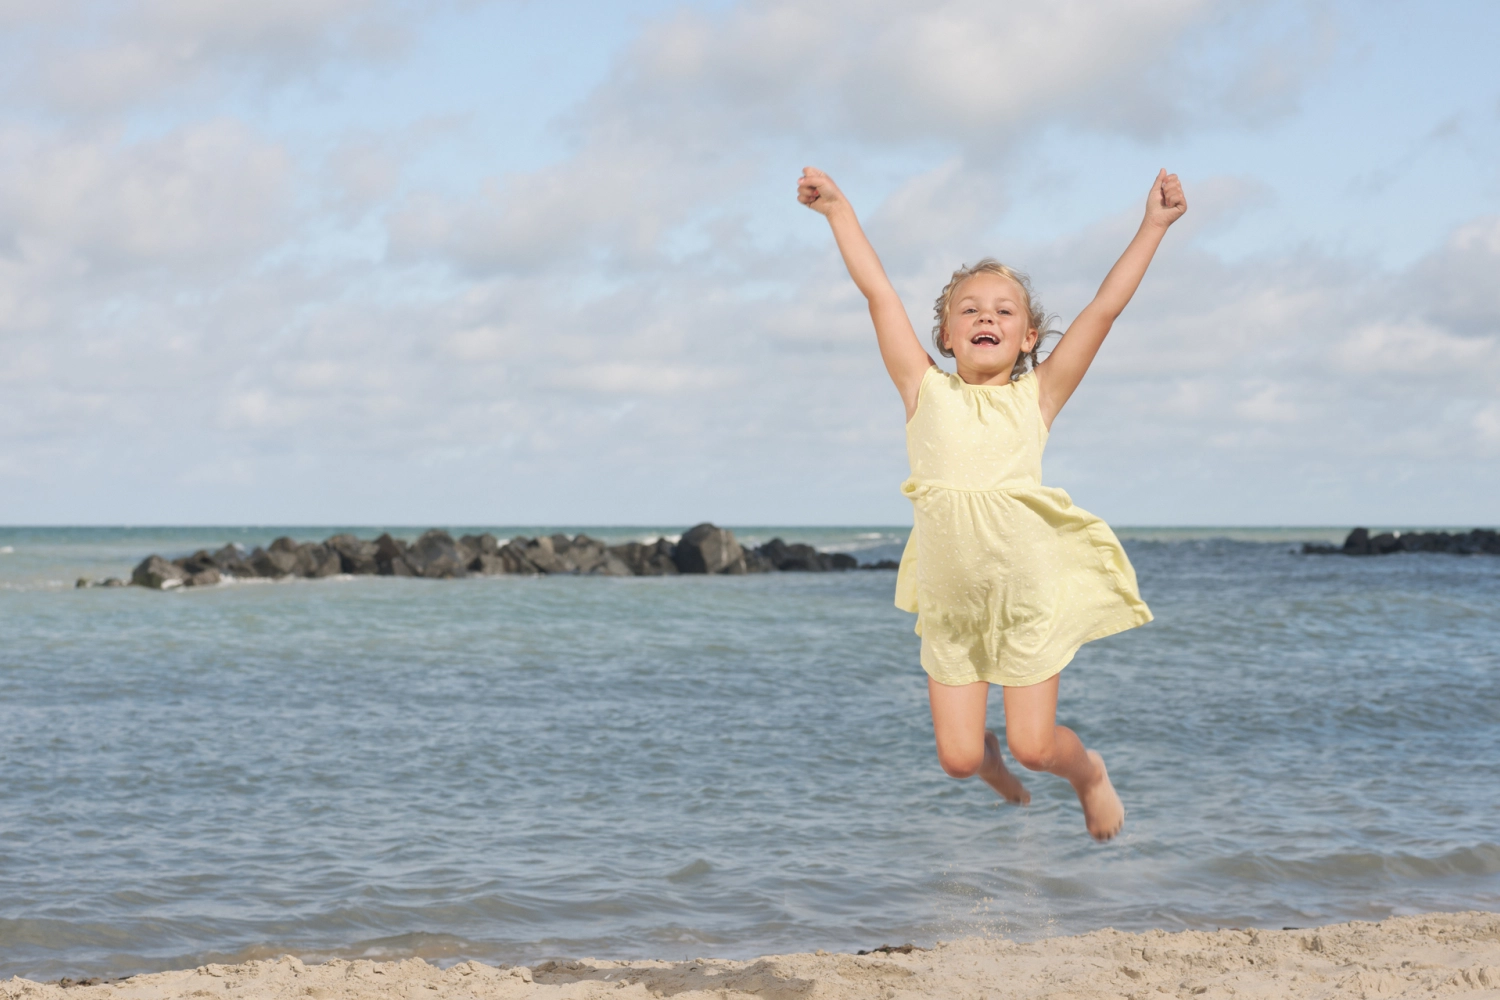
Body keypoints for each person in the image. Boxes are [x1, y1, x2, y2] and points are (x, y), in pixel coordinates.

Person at [797, 166, 1186, 840]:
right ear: (946, 336)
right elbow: (878, 294)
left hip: (1025, 596)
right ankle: (989, 765)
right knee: (958, 759)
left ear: (1030, 338)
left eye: (1005, 311)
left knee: (1038, 748)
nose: (987, 317)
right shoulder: (924, 391)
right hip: (951, 602)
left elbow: (1103, 309)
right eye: (970, 309)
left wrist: (1152, 226)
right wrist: (838, 212)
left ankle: (1089, 773)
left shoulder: (1037, 396)